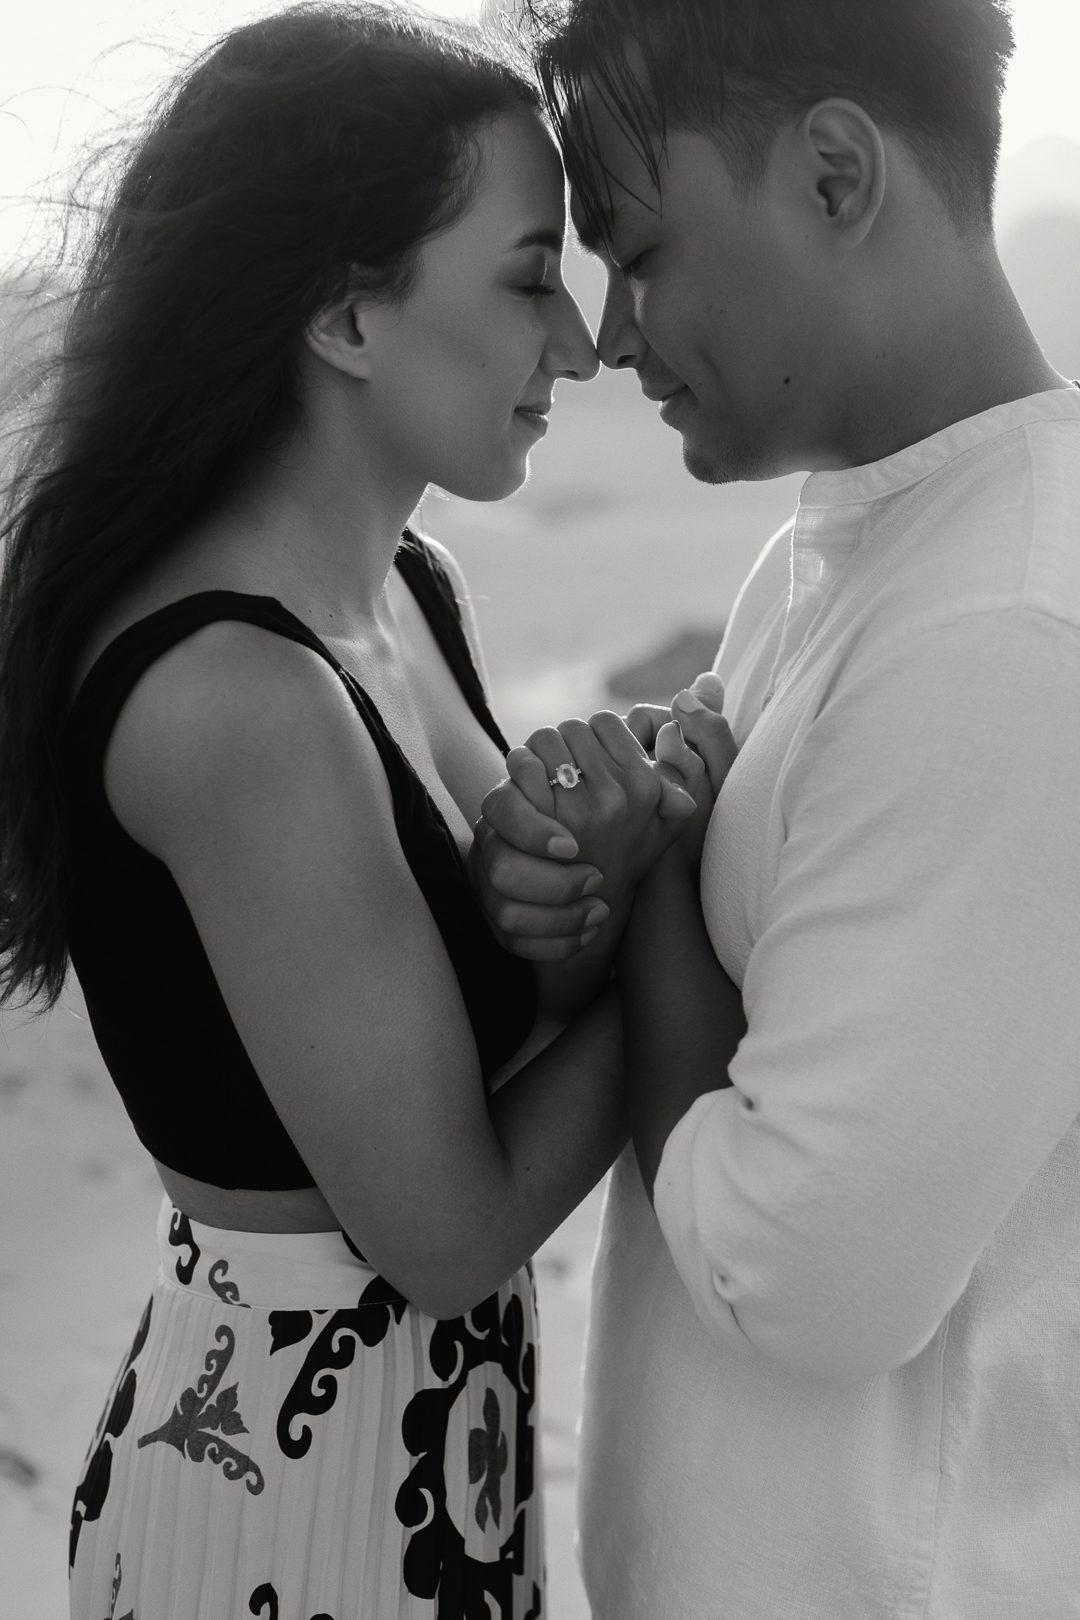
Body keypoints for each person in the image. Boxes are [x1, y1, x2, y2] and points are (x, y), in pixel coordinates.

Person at [0, 6, 712, 1615]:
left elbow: (521, 1003)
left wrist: (609, 864)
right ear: (345, 317)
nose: (585, 347)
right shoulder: (237, 704)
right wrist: (687, 904)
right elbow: (447, 1228)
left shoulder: (406, 588)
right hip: (284, 1499)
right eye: (531, 279)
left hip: (422, 1458)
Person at [475, 0, 1080, 1613]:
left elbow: (801, 1271)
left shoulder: (1005, 624)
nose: (607, 336)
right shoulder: (854, 542)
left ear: (832, 175)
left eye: (642, 249)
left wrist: (660, 876)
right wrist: (590, 883)